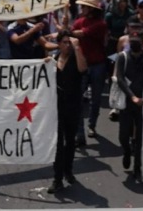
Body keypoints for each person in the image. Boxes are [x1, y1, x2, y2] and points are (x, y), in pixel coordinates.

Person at [49, 32, 87, 193]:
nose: (67, 45)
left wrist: (77, 47)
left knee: (70, 141)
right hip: (56, 106)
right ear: (58, 44)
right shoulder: (53, 59)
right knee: (58, 143)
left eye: (69, 43)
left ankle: (68, 171)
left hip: (72, 105)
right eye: (64, 42)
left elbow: (83, 68)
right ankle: (57, 179)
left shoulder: (76, 56)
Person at [69, 0, 108, 144]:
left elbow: (79, 33)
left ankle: (92, 125)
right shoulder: (79, 21)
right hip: (83, 65)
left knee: (96, 99)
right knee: (78, 99)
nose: (82, 8)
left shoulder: (100, 24)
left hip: (98, 64)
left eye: (84, 6)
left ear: (91, 9)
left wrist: (67, 30)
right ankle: (80, 133)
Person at [115, 27, 143, 181]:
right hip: (127, 103)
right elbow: (120, 79)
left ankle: (137, 168)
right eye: (132, 42)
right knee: (123, 135)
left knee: (140, 137)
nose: (135, 46)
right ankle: (126, 150)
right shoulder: (122, 57)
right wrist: (132, 96)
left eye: (138, 43)